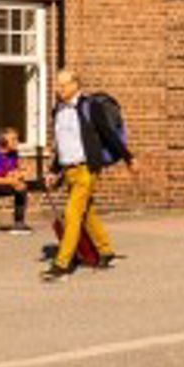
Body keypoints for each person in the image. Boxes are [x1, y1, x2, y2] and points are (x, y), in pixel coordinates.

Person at [42, 69, 135, 282]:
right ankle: (106, 251)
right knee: (86, 213)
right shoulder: (58, 110)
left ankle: (62, 263)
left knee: (72, 214)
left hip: (86, 169)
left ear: (75, 84)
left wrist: (129, 158)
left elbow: (108, 134)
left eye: (63, 85)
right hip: (69, 170)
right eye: (57, 85)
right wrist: (53, 170)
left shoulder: (90, 107)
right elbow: (61, 144)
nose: (59, 89)